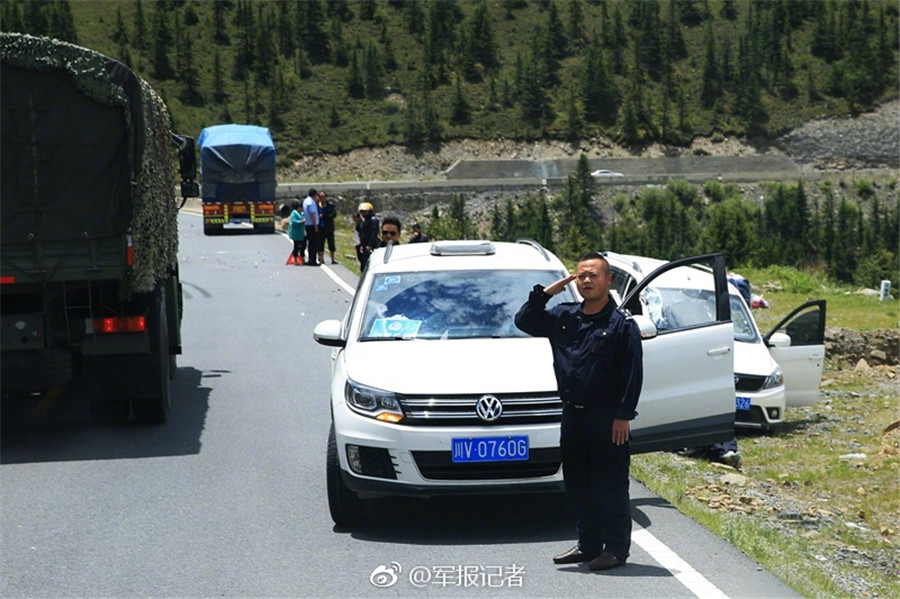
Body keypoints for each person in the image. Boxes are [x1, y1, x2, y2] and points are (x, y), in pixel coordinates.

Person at [515, 252, 643, 572]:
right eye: (582, 276)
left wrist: (623, 415)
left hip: (607, 419)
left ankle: (615, 549)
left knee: (610, 485)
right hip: (572, 416)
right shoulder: (564, 315)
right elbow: (524, 320)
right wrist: (545, 293)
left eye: (594, 275)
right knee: (577, 484)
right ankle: (588, 546)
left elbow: (632, 373)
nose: (587, 281)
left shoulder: (621, 325)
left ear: (608, 280)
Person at [357, 201, 380, 269]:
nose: (363, 213)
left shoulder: (373, 220)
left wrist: (370, 244)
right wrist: (362, 244)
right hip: (364, 244)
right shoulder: (365, 220)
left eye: (365, 211)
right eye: (362, 211)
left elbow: (373, 233)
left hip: (371, 245)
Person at [317, 191, 338, 265]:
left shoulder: (331, 206)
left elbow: (334, 215)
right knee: (320, 244)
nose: (322, 199)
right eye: (320, 197)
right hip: (320, 228)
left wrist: (324, 216)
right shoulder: (317, 206)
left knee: (331, 244)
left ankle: (333, 259)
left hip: (329, 227)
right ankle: (321, 259)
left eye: (323, 197)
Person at [302, 188, 320, 266]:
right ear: (315, 195)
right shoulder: (311, 202)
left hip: (307, 224)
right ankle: (313, 260)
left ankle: (310, 259)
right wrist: (315, 225)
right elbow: (312, 214)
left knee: (310, 243)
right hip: (312, 225)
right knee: (314, 243)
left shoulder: (306, 201)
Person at [288, 199, 306, 265]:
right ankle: (295, 260)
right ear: (299, 207)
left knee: (303, 246)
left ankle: (303, 260)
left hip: (302, 233)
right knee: (297, 247)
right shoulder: (294, 213)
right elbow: (294, 222)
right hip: (296, 233)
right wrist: (302, 221)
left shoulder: (301, 213)